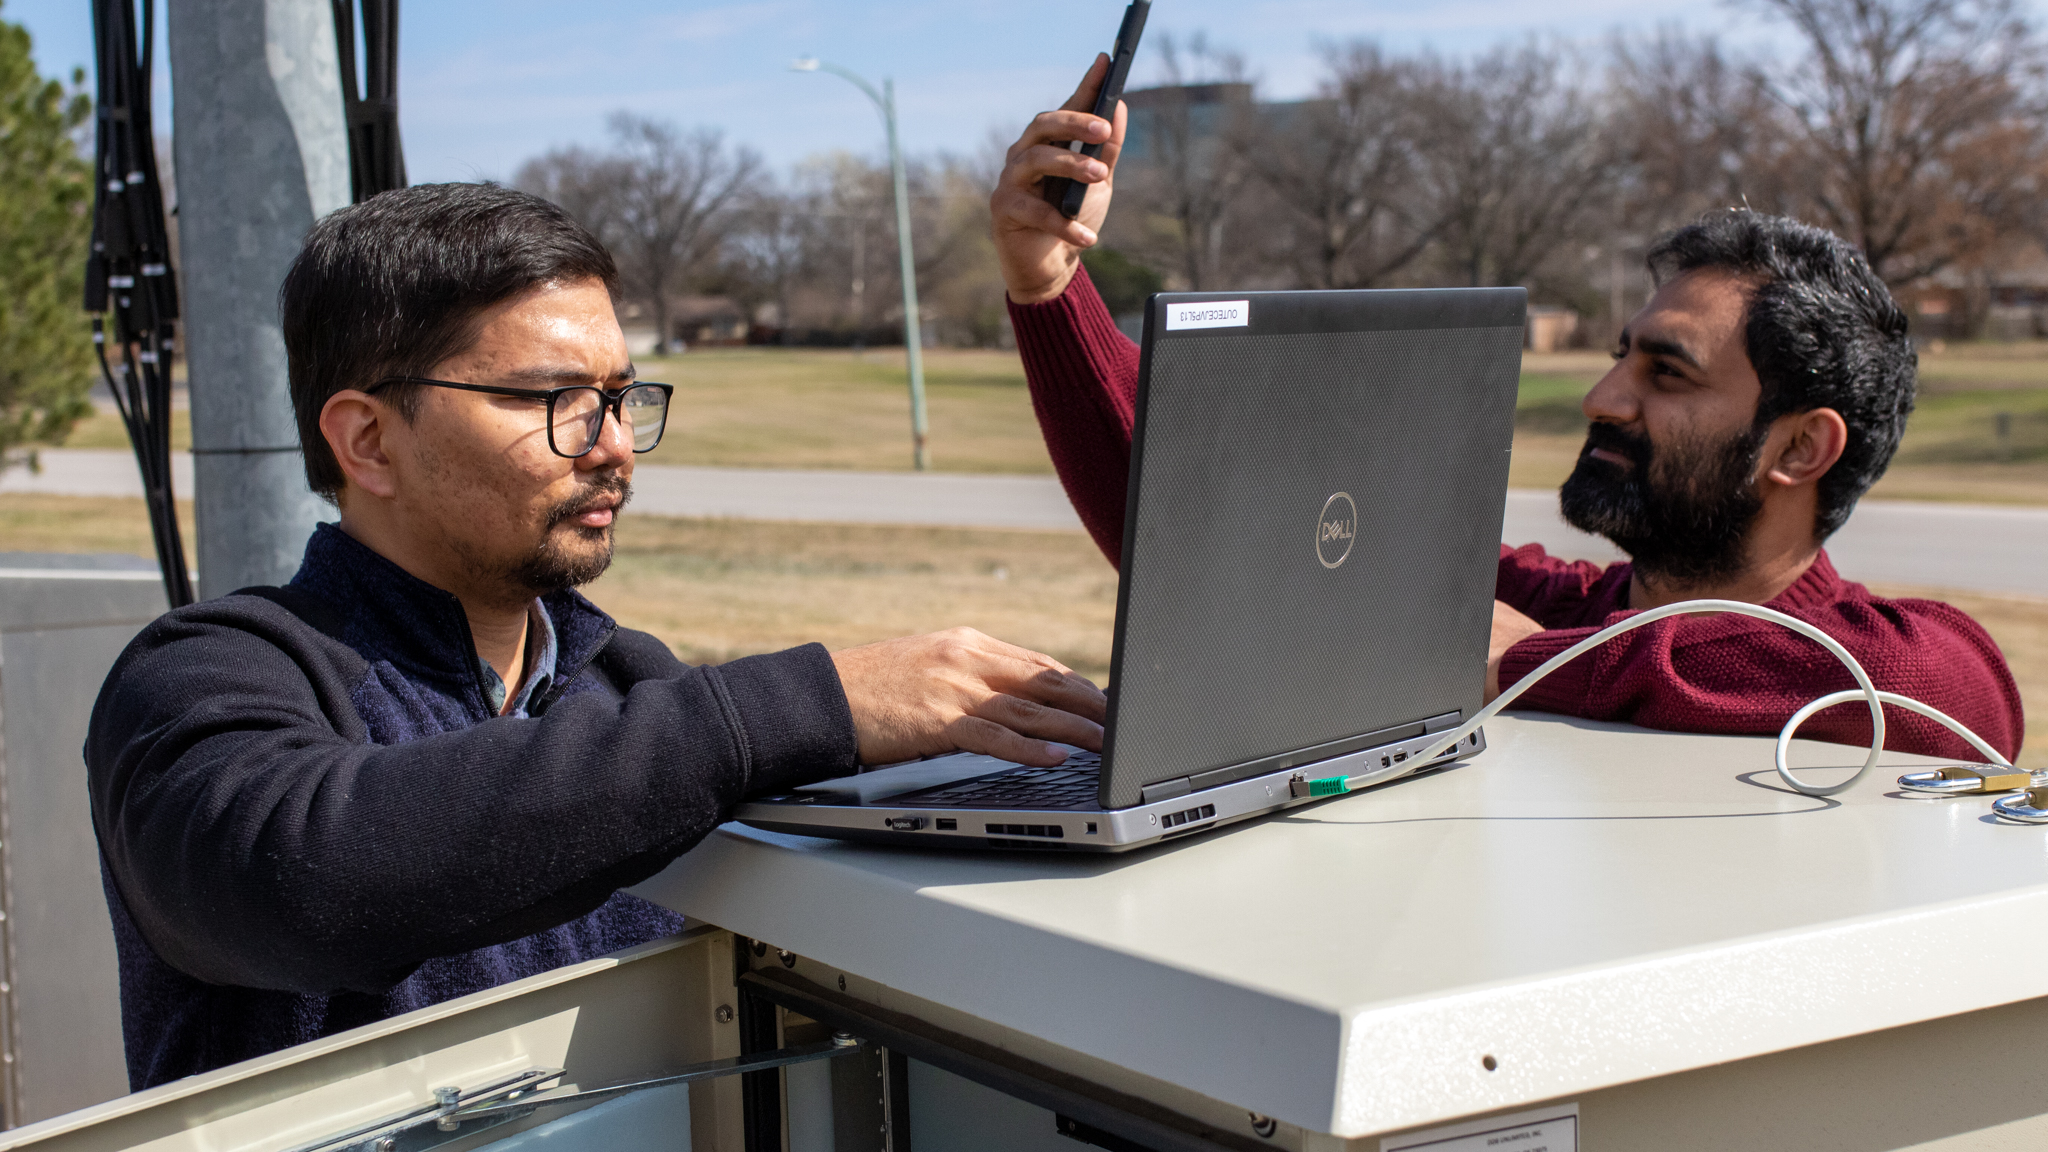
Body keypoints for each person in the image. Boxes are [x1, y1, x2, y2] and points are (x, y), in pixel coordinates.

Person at [86, 183, 1107, 1089]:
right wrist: (807, 702)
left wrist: (1104, 785)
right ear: (367, 439)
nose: (615, 445)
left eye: (619, 398)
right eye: (555, 401)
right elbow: (304, 879)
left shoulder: (624, 685)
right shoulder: (207, 676)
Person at [985, 58, 2022, 762]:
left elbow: (1937, 687)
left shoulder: (1890, 662)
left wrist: (1506, 661)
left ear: (1799, 447)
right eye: (1620, 358)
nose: (1601, 396)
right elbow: (1206, 542)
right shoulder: (1567, 612)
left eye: (1666, 373)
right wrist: (1045, 283)